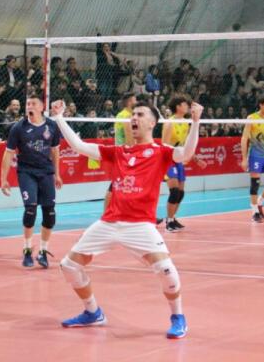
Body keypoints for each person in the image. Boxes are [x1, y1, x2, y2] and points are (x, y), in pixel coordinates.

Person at [50, 99, 203, 339]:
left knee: (166, 270)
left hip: (140, 225)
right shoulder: (118, 152)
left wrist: (195, 122)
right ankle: (93, 312)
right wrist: (59, 118)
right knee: (69, 266)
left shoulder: (161, 151)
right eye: (133, 114)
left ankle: (178, 317)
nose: (134, 118)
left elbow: (186, 153)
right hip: (109, 222)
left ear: (152, 123)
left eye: (140, 114)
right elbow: (79, 146)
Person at [0, 94, 63, 268]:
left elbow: (55, 151)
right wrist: (3, 179)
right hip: (26, 172)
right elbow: (8, 153)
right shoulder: (18, 128)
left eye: (33, 104)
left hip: (46, 172)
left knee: (49, 213)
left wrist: (57, 174)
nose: (29, 106)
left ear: (42, 107)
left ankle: (43, 252)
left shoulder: (51, 126)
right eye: (27, 104)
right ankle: (27, 250)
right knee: (30, 210)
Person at [161, 96, 207, 232]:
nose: (187, 107)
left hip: (179, 160)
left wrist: (196, 159)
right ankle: (169, 222)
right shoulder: (169, 123)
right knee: (174, 191)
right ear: (178, 107)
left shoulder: (186, 123)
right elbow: (164, 145)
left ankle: (172, 218)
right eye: (184, 104)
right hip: (169, 160)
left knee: (181, 193)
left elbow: (187, 146)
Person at [241, 94, 264, 223]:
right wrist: (244, 158)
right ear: (261, 105)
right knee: (255, 184)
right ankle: (254, 212)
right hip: (255, 155)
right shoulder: (251, 118)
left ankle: (260, 202)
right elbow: (244, 138)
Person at [102, 93, 136, 211]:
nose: (137, 102)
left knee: (124, 183)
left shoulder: (125, 114)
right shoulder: (125, 116)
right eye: (135, 100)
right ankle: (106, 213)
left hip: (124, 153)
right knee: (115, 184)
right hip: (125, 154)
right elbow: (129, 138)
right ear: (130, 102)